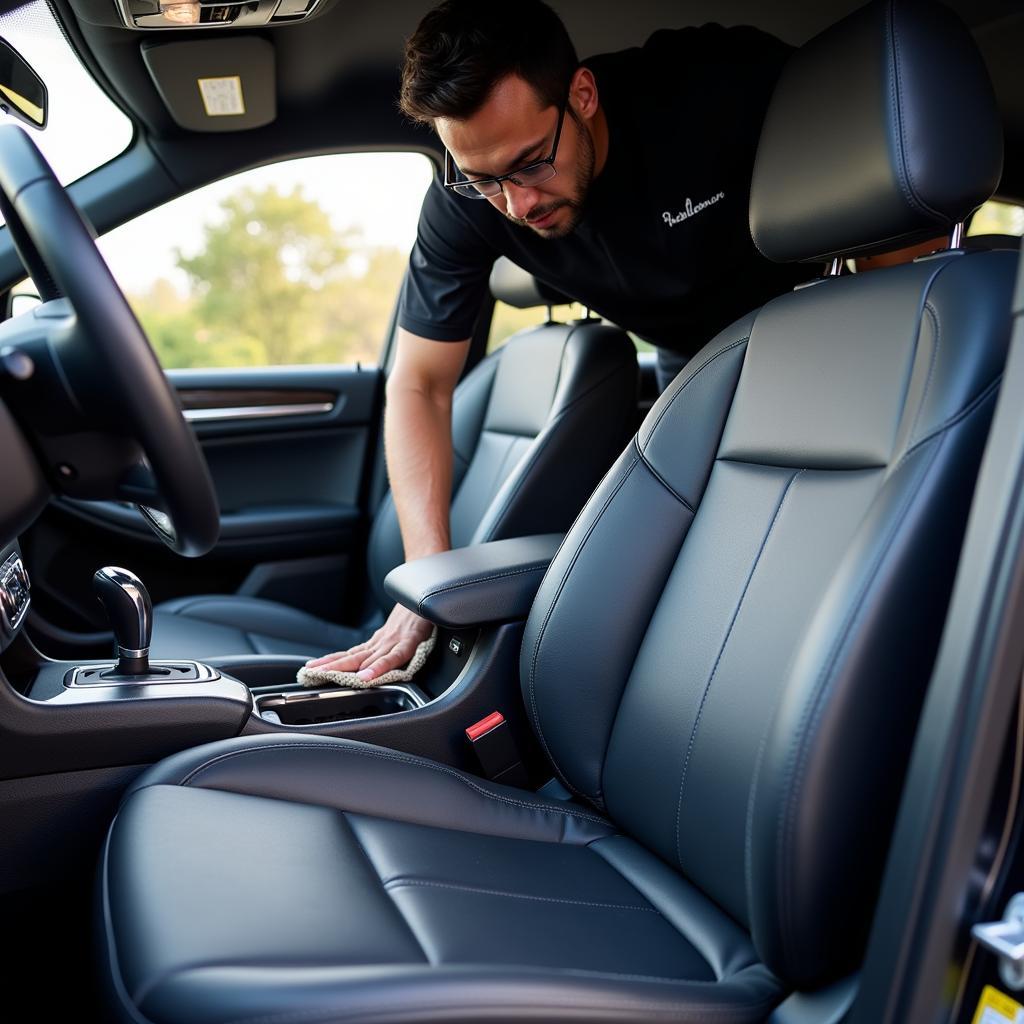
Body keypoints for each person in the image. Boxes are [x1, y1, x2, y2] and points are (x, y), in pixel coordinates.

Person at [304, 0, 806, 680]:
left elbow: (874, 158)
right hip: (691, 373)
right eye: (485, 181)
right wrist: (426, 578)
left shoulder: (707, 85)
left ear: (583, 95)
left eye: (531, 163)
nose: (517, 205)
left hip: (810, 332)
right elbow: (419, 383)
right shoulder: (466, 199)